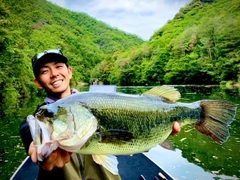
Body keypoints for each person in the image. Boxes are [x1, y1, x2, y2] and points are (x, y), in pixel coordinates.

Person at [19, 48, 181, 180]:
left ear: (69, 71)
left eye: (58, 66)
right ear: (37, 82)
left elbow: (128, 137)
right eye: (44, 71)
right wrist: (40, 155)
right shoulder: (34, 124)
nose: (54, 73)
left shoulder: (100, 105)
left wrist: (152, 136)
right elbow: (34, 145)